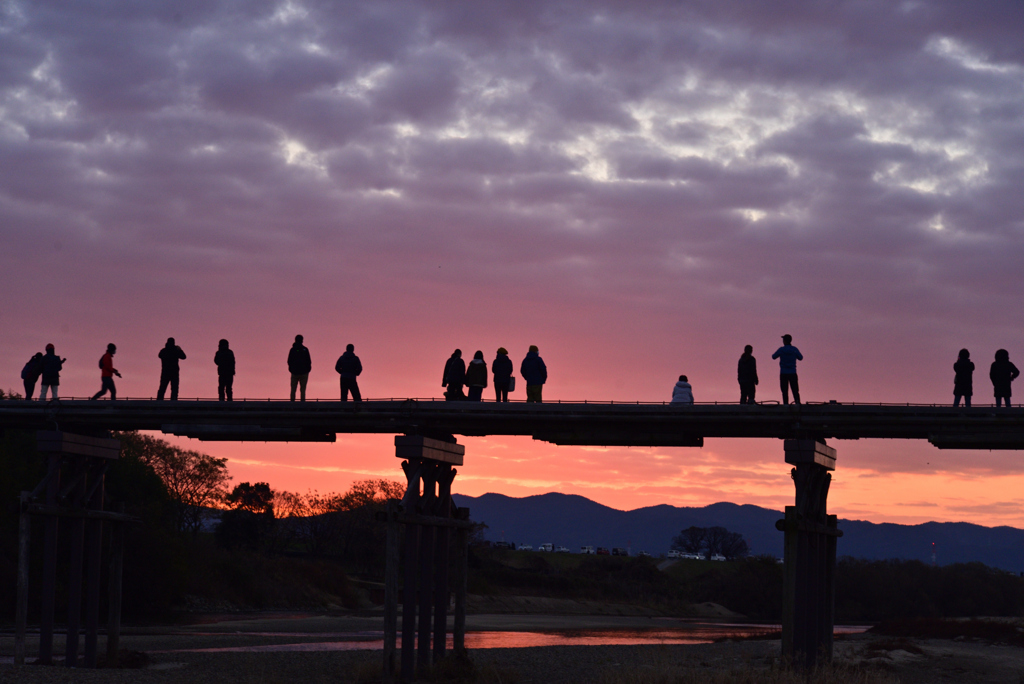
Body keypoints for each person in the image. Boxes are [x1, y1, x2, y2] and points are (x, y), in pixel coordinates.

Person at [772, 334, 803, 405]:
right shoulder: (794, 349)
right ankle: (797, 403)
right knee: (795, 390)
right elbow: (801, 357)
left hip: (783, 373)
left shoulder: (781, 350)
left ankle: (786, 404)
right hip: (793, 372)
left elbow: (773, 357)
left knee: (784, 391)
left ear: (785, 341)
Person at [288, 334, 312, 401]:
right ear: (302, 340)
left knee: (293, 389)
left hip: (294, 372)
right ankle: (302, 403)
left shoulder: (292, 350)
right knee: (303, 390)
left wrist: (291, 369)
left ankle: (292, 404)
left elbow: (289, 361)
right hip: (304, 372)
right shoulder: (305, 349)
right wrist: (307, 369)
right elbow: (309, 361)